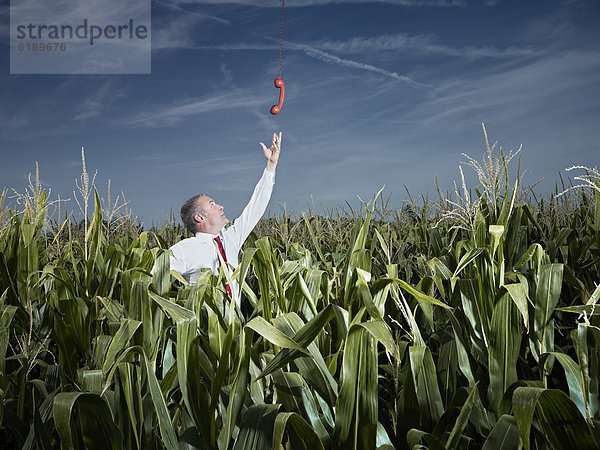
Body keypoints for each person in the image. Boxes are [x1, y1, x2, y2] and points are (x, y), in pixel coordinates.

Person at [169, 132, 282, 306]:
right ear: (199, 217)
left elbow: (255, 207)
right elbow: (154, 279)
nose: (221, 207)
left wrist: (271, 166)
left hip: (235, 327)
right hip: (202, 330)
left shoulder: (230, 239)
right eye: (213, 204)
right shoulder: (184, 250)